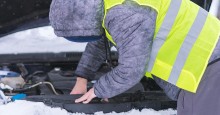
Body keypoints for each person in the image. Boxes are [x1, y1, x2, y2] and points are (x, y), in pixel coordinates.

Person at [49, 0, 220, 114]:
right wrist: (82, 78)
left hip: (207, 66)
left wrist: (98, 90)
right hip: (204, 65)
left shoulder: (125, 13)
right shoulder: (110, 6)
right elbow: (101, 43)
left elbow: (131, 70)